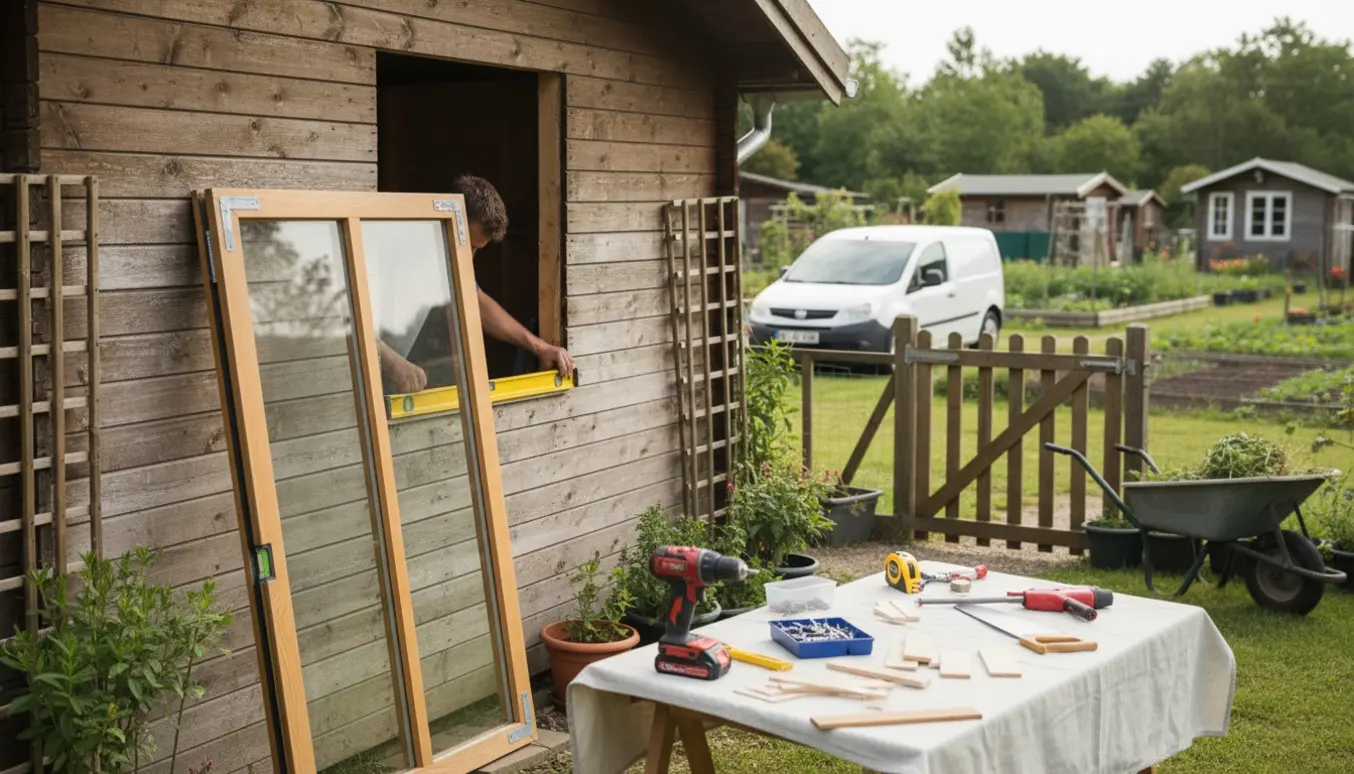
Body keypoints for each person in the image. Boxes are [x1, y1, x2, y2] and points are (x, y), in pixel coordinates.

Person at [376, 175, 574, 394]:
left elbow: (475, 301)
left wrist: (541, 347)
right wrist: (390, 360)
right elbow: (343, 314)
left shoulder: (446, 260)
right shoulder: (390, 250)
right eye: (468, 245)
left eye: (476, 249)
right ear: (445, 219)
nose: (469, 257)